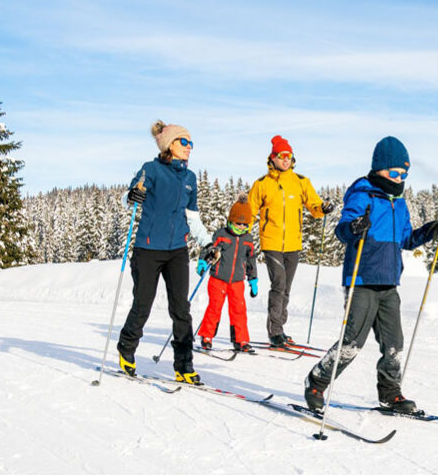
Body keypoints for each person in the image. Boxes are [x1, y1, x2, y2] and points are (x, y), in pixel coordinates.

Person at [303, 136, 438, 415]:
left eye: (404, 174)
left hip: (389, 283)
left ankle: (390, 394)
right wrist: (355, 227)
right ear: (380, 168)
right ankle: (316, 383)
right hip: (361, 280)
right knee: (352, 343)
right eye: (395, 173)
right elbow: (342, 231)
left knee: (394, 344)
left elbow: (407, 240)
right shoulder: (363, 195)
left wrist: (432, 230)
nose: (399, 179)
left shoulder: (400, 203)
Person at [116, 121, 217, 385]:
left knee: (181, 310)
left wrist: (207, 243)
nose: (189, 147)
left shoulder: (189, 178)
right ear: (168, 144)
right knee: (143, 305)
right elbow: (128, 197)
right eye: (183, 142)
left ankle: (184, 365)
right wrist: (134, 194)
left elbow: (192, 217)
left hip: (177, 251)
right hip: (148, 249)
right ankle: (126, 349)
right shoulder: (151, 169)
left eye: (191, 143)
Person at [239, 135, 335, 348]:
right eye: (282, 156)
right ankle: (274, 332)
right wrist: (239, 227)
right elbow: (249, 212)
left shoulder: (301, 182)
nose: (285, 160)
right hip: (271, 242)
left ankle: (280, 329)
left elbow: (314, 206)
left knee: (286, 288)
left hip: (294, 243)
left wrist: (323, 208)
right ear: (272, 158)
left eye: (289, 156)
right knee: (279, 284)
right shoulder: (262, 184)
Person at [196, 202, 260, 353]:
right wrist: (203, 261)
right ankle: (206, 337)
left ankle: (241, 340)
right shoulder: (221, 235)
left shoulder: (248, 239)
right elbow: (209, 248)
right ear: (231, 220)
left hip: (237, 281)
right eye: (238, 223)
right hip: (218, 278)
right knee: (214, 308)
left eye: (245, 224)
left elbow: (251, 260)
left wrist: (253, 279)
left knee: (239, 310)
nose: (242, 227)